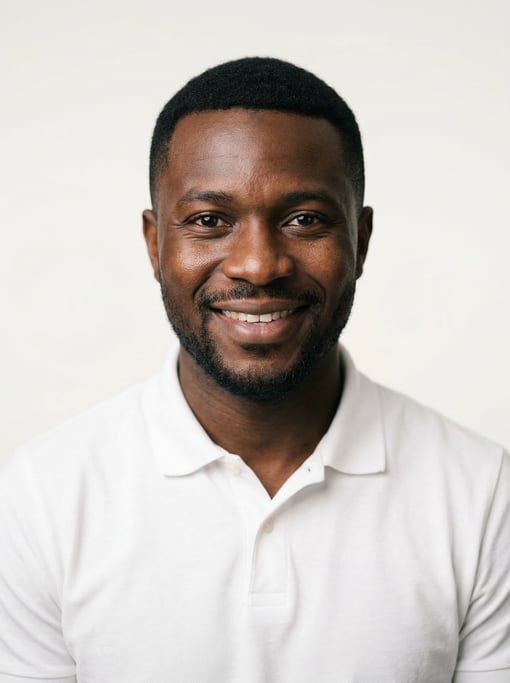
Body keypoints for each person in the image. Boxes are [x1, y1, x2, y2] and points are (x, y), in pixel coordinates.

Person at [0, 57, 509, 683]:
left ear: (362, 240)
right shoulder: (41, 497)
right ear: (154, 244)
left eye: (305, 220)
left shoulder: (484, 495)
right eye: (210, 221)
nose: (258, 264)